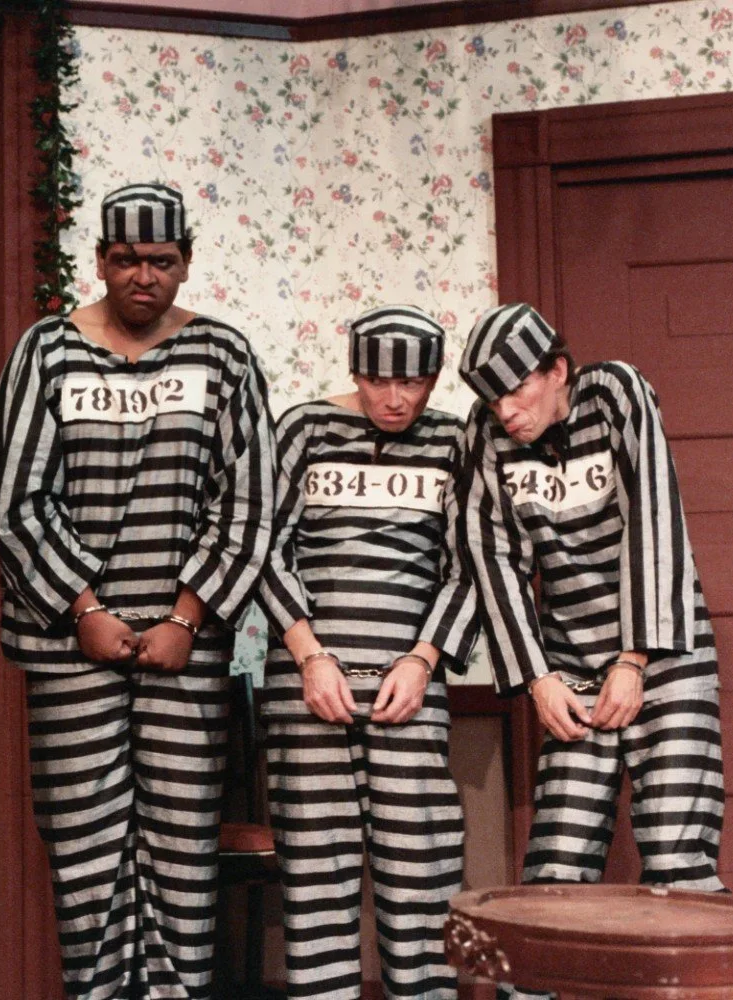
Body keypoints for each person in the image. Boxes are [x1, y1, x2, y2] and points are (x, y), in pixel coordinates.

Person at [0, 182, 274, 999]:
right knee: (85, 847)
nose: (143, 276)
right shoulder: (46, 351)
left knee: (181, 846)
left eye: (161, 260)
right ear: (100, 261)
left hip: (185, 645)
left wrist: (188, 615)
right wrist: (84, 608)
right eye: (125, 260)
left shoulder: (224, 356)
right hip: (72, 645)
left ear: (185, 263)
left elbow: (247, 501)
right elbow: (13, 493)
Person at [457, 303, 724, 1000]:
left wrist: (633, 660)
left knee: (678, 866)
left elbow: (654, 518)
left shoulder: (616, 394)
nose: (507, 410)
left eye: (520, 390)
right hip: (569, 671)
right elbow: (493, 562)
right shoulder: (485, 440)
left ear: (558, 371)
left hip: (666, 659)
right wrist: (539, 680)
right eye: (492, 397)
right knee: (553, 876)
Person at [258, 306, 479, 999]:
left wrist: (423, 659)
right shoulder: (302, 429)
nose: (394, 399)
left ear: (434, 378)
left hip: (410, 690)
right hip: (307, 687)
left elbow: (474, 564)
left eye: (413, 382)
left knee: (423, 877)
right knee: (316, 884)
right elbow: (261, 545)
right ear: (355, 372)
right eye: (379, 381)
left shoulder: (456, 442)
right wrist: (307, 653)